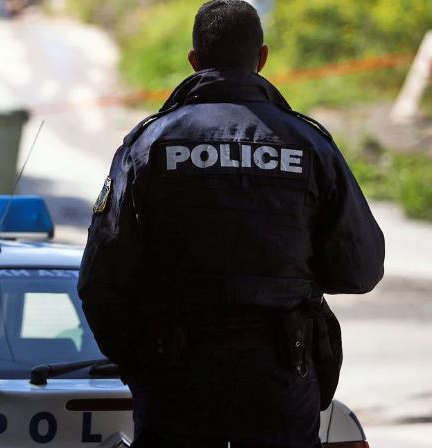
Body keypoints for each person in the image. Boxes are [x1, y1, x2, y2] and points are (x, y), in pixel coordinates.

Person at [78, 1, 385, 447]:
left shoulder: (150, 145)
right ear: (262, 58)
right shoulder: (309, 145)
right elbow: (360, 269)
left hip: (176, 385)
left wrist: (142, 365)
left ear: (194, 60)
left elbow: (100, 281)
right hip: (281, 384)